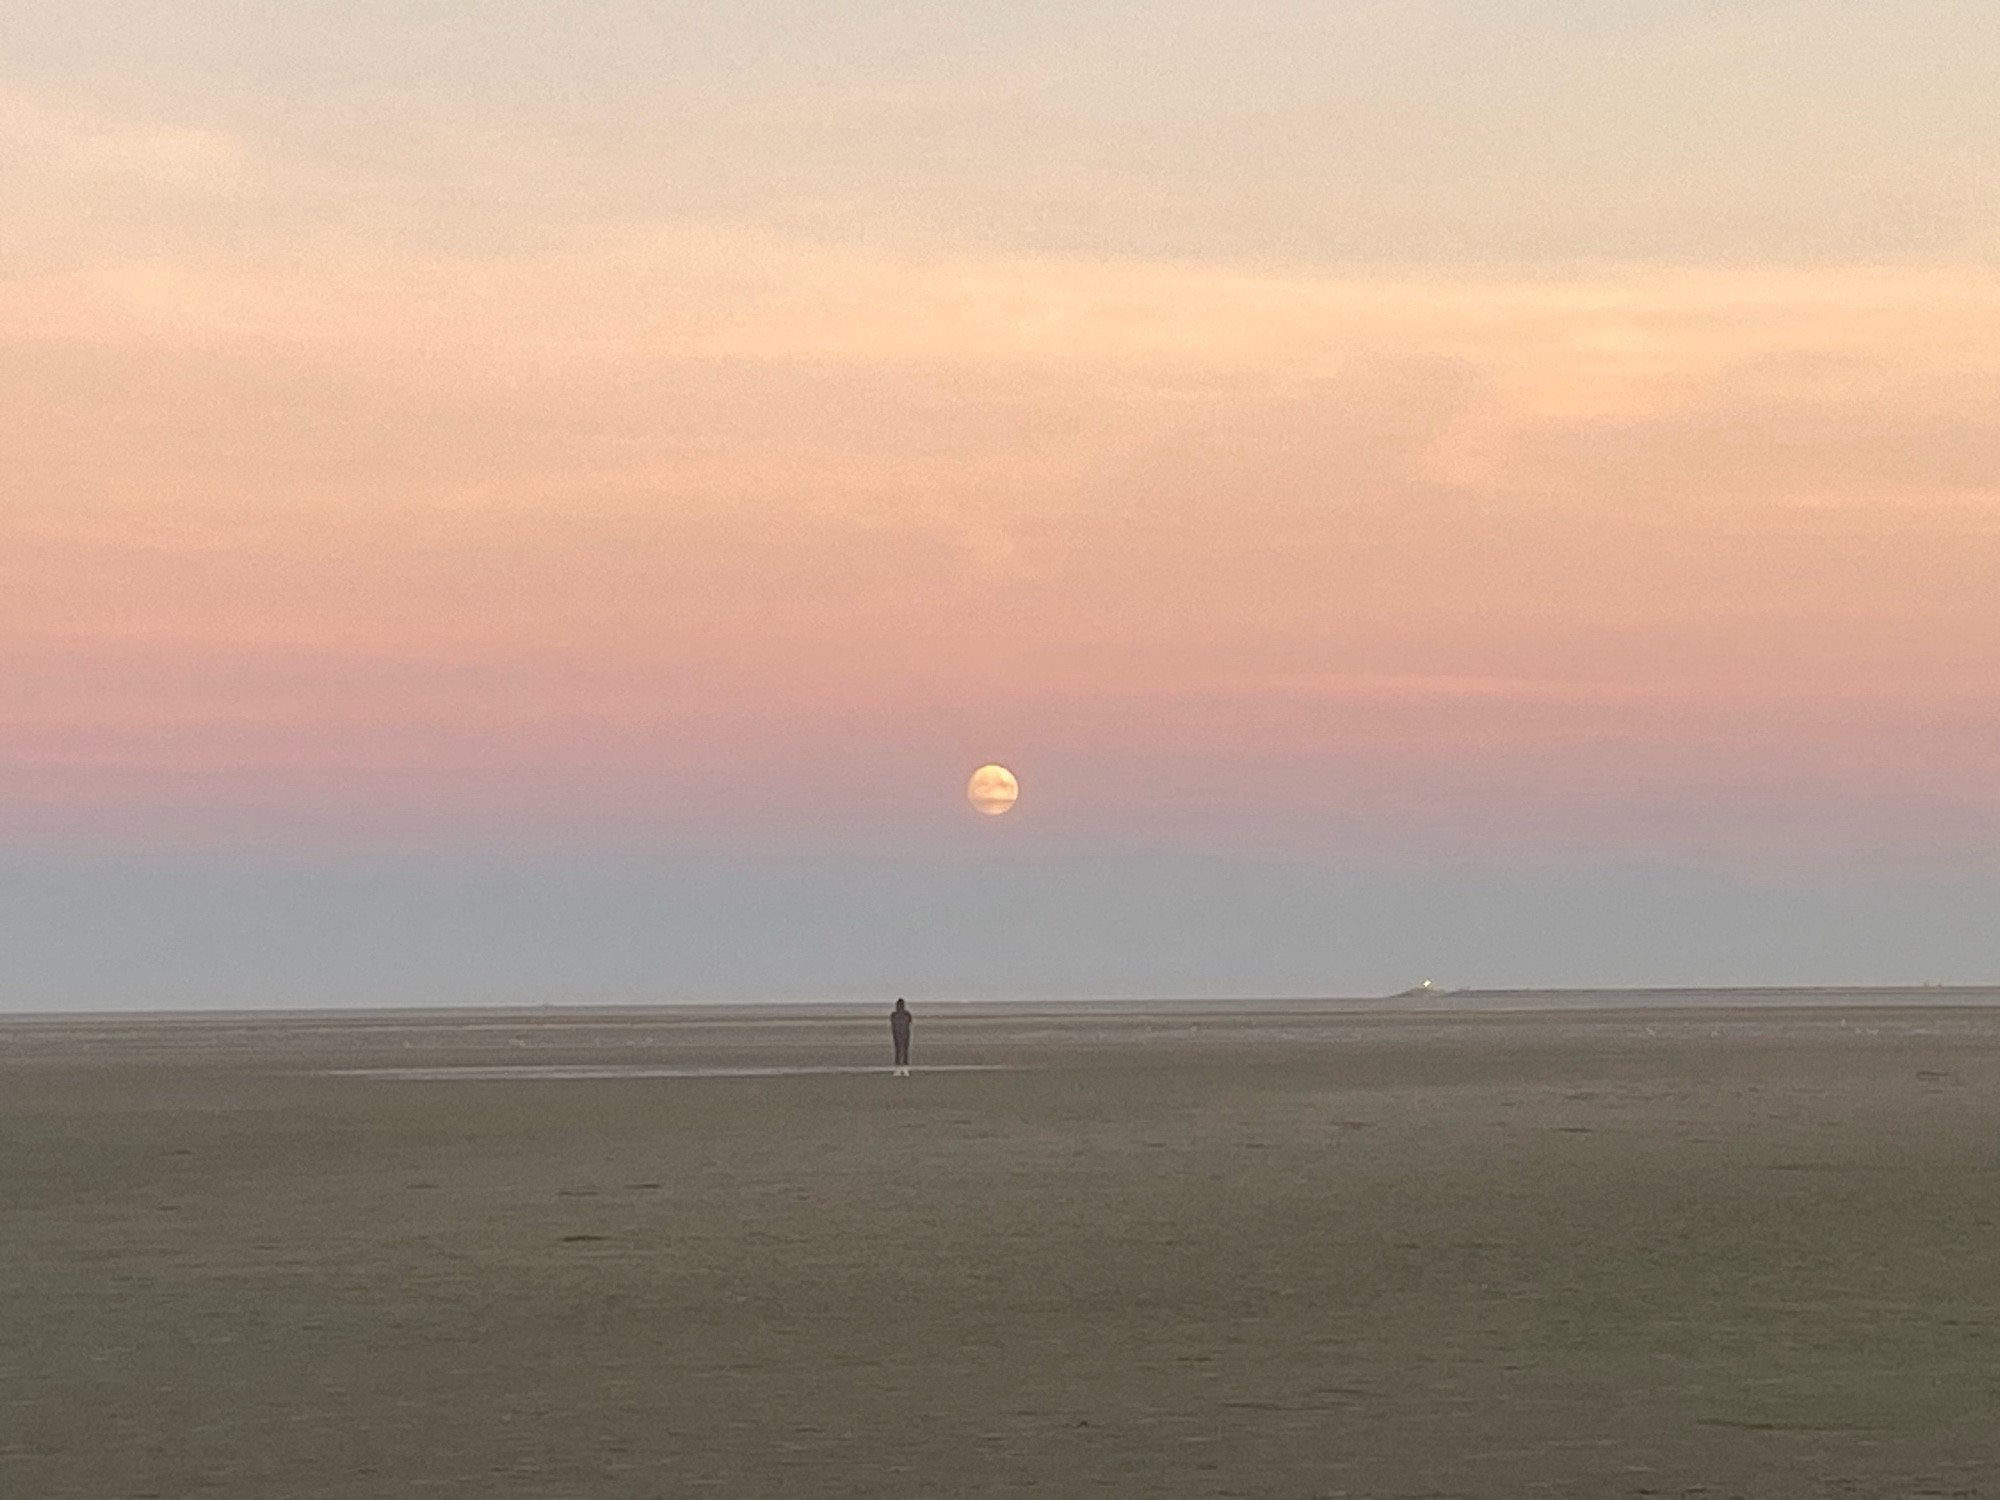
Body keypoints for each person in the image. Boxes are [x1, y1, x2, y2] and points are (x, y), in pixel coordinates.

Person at [890, 997, 913, 1077]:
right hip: (898, 1034)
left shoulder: (905, 1014)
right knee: (899, 1051)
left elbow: (909, 1022)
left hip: (904, 1034)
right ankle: (899, 1069)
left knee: (903, 1051)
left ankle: (904, 1069)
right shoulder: (894, 1015)